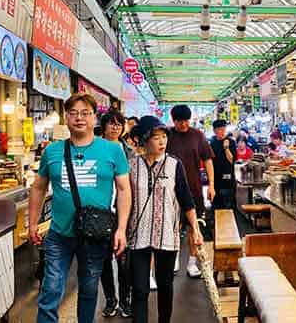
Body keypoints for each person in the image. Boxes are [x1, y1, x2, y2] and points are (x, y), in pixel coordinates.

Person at [29, 93, 131, 323]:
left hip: (94, 235)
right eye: (73, 113)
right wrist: (33, 223)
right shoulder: (52, 151)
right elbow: (38, 188)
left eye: (85, 113)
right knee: (51, 290)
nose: (79, 118)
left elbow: (124, 190)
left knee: (89, 289)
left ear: (95, 117)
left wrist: (121, 229)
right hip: (59, 234)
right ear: (66, 118)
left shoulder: (113, 151)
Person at [127, 116, 204, 323]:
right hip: (137, 235)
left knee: (165, 286)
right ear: (143, 140)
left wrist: (195, 230)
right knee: (140, 289)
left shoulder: (174, 165)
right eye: (156, 138)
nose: (162, 142)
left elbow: (186, 199)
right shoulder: (131, 166)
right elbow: (123, 200)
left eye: (164, 137)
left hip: (167, 235)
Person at [166, 105, 214, 278]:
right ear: (173, 121)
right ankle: (175, 257)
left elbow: (208, 160)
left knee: (195, 227)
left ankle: (192, 264)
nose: (183, 124)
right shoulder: (168, 135)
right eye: (180, 121)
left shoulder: (198, 135)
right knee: (173, 227)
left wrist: (212, 186)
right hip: (171, 191)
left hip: (194, 189)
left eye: (186, 120)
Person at [98, 110, 132, 318]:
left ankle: (126, 299)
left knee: (123, 258)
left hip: (122, 211)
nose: (115, 127)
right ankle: (111, 299)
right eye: (111, 123)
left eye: (119, 124)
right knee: (103, 259)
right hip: (100, 211)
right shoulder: (96, 147)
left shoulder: (128, 150)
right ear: (103, 126)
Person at [209, 119, 236, 210]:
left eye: (224, 129)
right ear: (214, 130)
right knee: (216, 205)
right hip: (215, 179)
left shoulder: (231, 142)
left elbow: (232, 161)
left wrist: (226, 148)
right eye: (219, 129)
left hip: (227, 179)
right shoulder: (212, 143)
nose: (222, 131)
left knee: (228, 205)